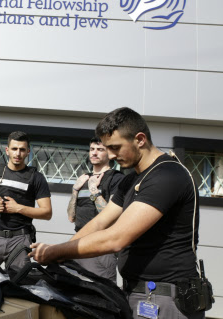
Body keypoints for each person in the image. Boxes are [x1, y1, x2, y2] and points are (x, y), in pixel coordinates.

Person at [29, 107, 205, 319]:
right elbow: (99, 223)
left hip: (165, 297)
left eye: (115, 147)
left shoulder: (168, 174)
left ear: (140, 139)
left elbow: (116, 238)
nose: (111, 155)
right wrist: (59, 257)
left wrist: (56, 252)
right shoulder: (131, 180)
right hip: (137, 292)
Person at [0, 131, 51, 271]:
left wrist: (18, 208)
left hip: (20, 240)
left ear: (28, 152)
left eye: (22, 150)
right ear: (7, 150)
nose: (18, 154)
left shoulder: (36, 178)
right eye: (14, 149)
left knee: (20, 285)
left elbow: (47, 213)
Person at [66, 136, 123, 282]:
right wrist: (75, 190)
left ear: (109, 153)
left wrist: (94, 191)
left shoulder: (116, 178)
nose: (94, 153)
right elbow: (71, 217)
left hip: (100, 246)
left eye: (100, 149)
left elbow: (112, 217)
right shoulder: (83, 178)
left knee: (102, 293)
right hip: (78, 242)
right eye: (92, 149)